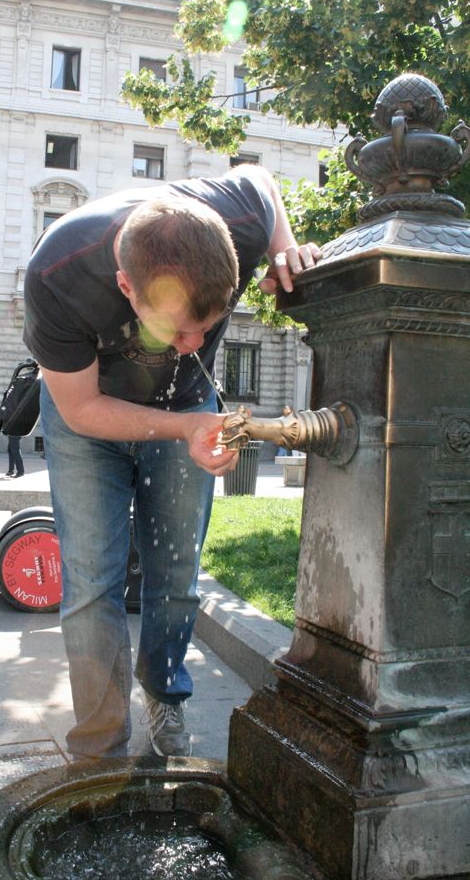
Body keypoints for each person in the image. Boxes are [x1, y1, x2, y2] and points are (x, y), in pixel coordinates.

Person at [24, 163, 320, 760]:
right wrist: (186, 426)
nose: (191, 346)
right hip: (89, 416)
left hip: (187, 407)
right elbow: (80, 409)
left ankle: (164, 692)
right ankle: (102, 745)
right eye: (177, 330)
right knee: (90, 586)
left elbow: (261, 181)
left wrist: (285, 250)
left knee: (177, 572)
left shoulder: (238, 217)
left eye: (205, 328)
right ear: (126, 287)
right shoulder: (58, 273)